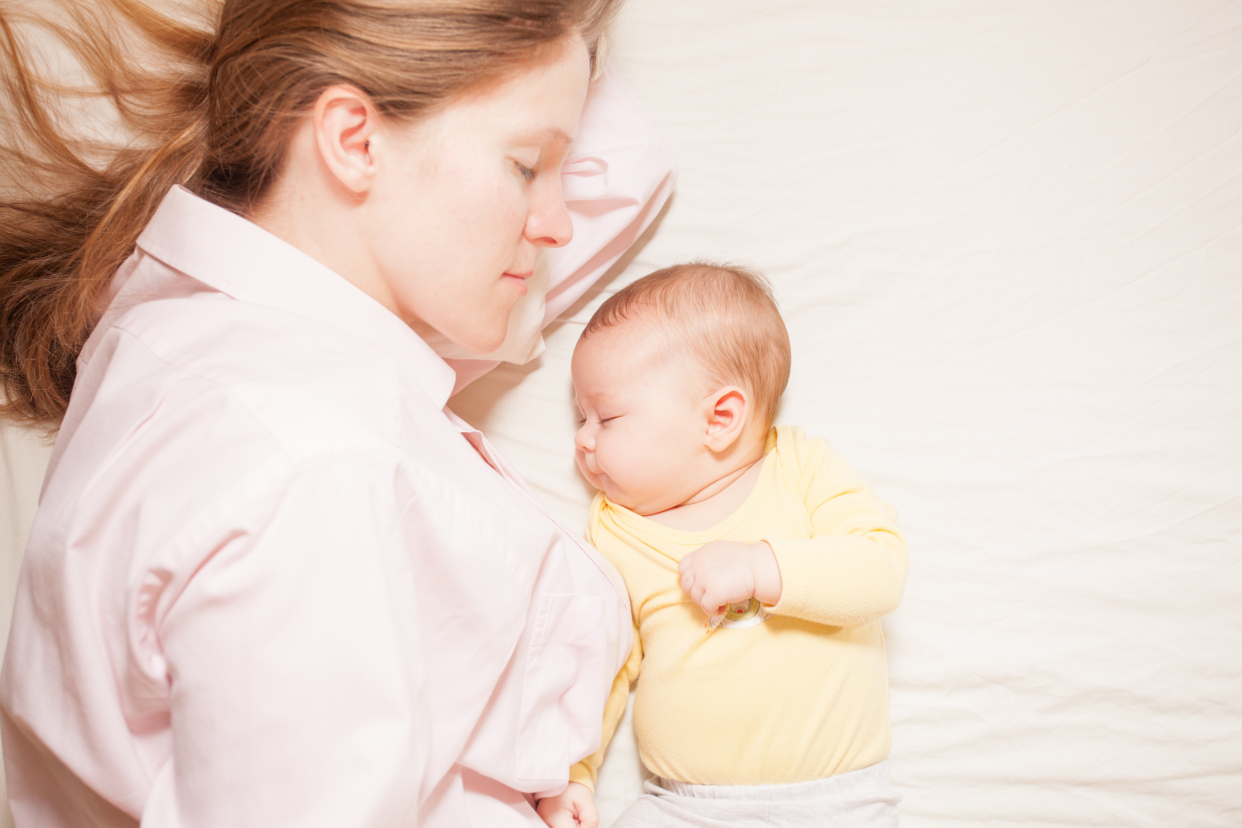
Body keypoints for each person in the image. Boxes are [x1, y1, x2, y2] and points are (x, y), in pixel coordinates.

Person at [0, 1, 678, 825]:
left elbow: (627, 161)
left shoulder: (194, 305)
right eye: (528, 166)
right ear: (353, 141)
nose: (559, 221)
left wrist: (528, 113)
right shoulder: (315, 472)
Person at [537, 263, 910, 828]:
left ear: (720, 419)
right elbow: (604, 662)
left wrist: (765, 565)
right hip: (684, 806)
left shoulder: (801, 467)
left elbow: (880, 569)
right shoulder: (615, 528)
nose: (582, 439)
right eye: (580, 416)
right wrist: (574, 772)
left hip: (838, 802)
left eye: (605, 416)